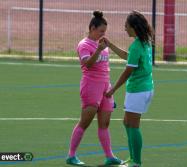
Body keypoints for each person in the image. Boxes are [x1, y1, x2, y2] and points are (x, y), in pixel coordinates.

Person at [66, 11, 123, 166]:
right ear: (92, 28)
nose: (103, 34)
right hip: (91, 87)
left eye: (104, 32)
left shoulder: (103, 45)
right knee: (84, 123)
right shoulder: (84, 45)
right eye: (101, 31)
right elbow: (87, 65)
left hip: (105, 88)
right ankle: (71, 155)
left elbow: (105, 68)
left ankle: (109, 156)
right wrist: (98, 49)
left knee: (104, 124)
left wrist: (110, 89)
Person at [104, 11, 154, 167]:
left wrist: (113, 89)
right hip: (144, 88)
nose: (124, 28)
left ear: (133, 27)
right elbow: (129, 56)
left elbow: (128, 71)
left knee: (133, 125)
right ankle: (132, 159)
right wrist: (111, 45)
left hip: (138, 90)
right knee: (127, 122)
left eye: (126, 25)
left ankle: (136, 162)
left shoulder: (138, 45)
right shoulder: (144, 42)